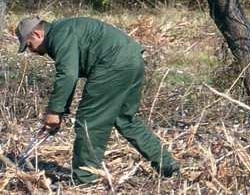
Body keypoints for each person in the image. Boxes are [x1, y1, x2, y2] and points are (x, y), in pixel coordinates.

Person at [16, 16, 179, 184]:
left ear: (36, 34)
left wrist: (54, 112)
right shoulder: (64, 29)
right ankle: (167, 164)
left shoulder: (59, 35)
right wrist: (60, 112)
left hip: (112, 63)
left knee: (89, 122)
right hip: (132, 59)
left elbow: (68, 75)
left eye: (28, 45)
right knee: (125, 119)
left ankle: (85, 180)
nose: (31, 50)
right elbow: (69, 74)